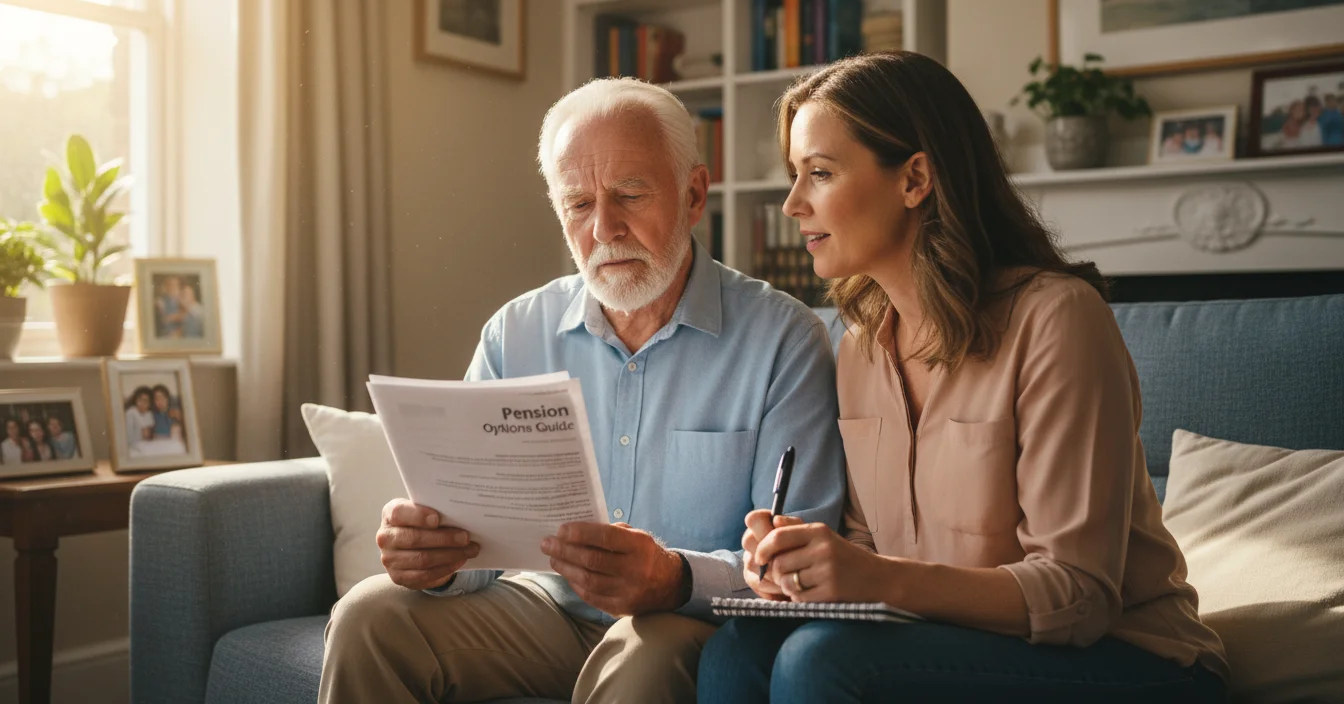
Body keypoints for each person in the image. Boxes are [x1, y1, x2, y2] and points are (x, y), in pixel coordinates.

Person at [697, 52, 1228, 703]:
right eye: (794, 176)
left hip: (1138, 663)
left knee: (822, 663)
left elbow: (1080, 596)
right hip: (953, 641)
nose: (792, 203)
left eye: (821, 173)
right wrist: (804, 572)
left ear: (915, 177)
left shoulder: (1057, 318)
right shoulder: (860, 350)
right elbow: (869, 548)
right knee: (735, 652)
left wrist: (875, 578)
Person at [318, 78, 847, 704]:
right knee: (370, 617)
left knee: (643, 660)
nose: (604, 228)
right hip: (540, 610)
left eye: (629, 194)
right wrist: (434, 558)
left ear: (694, 194)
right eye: (578, 204)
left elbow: (801, 563)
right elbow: (476, 543)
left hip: (681, 623)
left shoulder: (784, 339)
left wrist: (676, 578)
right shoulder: (515, 334)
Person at [125, 387, 156, 454]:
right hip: (133, 447)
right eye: (140, 400)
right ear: (136, 400)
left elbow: (150, 434)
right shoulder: (130, 413)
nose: (142, 403)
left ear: (150, 403)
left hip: (147, 445)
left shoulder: (149, 414)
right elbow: (128, 437)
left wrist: (148, 433)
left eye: (146, 401)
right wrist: (142, 433)